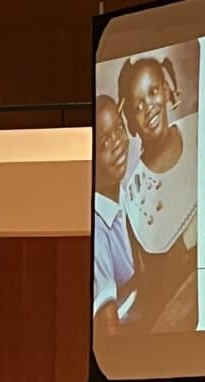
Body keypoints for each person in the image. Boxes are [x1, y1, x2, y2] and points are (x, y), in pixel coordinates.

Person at [117, 56, 198, 331]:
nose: (149, 107)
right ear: (131, 121)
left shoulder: (200, 129)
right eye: (138, 105)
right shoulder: (134, 196)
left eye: (153, 92)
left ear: (166, 90)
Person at [93, 94, 140, 335]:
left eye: (119, 128)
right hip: (130, 332)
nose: (118, 142)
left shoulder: (129, 193)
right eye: (104, 143)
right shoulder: (98, 231)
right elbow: (108, 325)